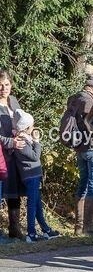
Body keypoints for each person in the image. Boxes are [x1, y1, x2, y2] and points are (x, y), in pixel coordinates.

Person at [62, 71, 93, 236]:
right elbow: (92, 126)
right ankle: (87, 226)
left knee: (84, 183)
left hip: (80, 147)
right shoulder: (89, 101)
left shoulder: (75, 98)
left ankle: (79, 226)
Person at [11, 111, 60, 241]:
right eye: (32, 125)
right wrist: (37, 142)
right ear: (26, 128)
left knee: (37, 204)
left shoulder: (26, 139)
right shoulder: (21, 141)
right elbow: (34, 156)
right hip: (30, 176)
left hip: (34, 175)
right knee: (32, 204)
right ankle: (31, 233)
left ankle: (46, 230)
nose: (33, 127)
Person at [0, 70, 27, 241]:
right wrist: (11, 142)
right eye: (0, 85)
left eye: (7, 84)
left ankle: (14, 228)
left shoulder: (14, 101)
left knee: (15, 191)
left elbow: (24, 122)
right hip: (1, 156)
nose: (4, 88)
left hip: (16, 155)